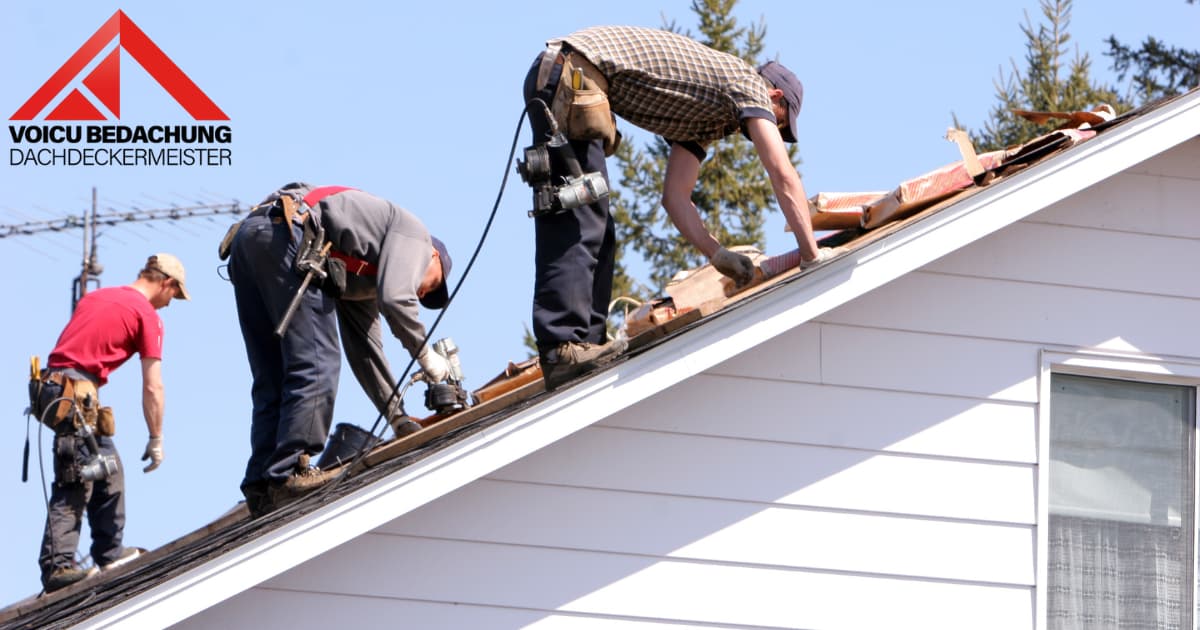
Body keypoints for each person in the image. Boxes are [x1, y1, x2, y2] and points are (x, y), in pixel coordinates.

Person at [523, 25, 835, 390]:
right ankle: (563, 349)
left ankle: (584, 347)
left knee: (598, 227)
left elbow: (675, 197)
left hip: (573, 76)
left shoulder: (704, 118)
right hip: (572, 73)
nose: (773, 131)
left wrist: (717, 254)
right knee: (580, 214)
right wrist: (811, 255)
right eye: (779, 121)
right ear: (774, 95)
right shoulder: (748, 84)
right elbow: (782, 174)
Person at [227, 183, 453, 518]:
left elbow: (365, 350)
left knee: (275, 375)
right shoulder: (415, 236)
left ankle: (262, 486)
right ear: (433, 255)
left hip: (254, 238)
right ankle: (289, 473)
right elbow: (397, 300)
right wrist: (425, 356)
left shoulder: (362, 272)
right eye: (432, 283)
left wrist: (398, 417)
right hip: (288, 233)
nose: (421, 292)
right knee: (317, 364)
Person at [32, 253, 189, 593]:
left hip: (55, 387)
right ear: (167, 282)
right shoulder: (146, 314)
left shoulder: (98, 297)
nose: (169, 304)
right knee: (77, 477)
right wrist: (156, 437)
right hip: (74, 392)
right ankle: (57, 567)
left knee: (108, 468)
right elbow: (153, 385)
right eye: (173, 296)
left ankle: (109, 552)